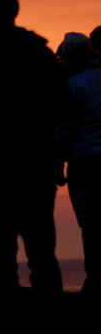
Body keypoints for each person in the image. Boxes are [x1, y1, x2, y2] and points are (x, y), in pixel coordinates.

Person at [0, 0, 69, 295]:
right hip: (33, 171)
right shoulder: (39, 54)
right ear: (15, 10)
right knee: (42, 257)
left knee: (0, 267)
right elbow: (62, 109)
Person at [56, 32, 101, 296]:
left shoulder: (72, 86)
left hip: (84, 164)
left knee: (90, 226)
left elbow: (64, 129)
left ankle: (95, 278)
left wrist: (56, 164)